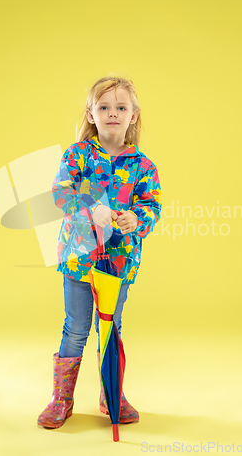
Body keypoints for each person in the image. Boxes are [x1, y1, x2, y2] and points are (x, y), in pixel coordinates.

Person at [37, 75, 162, 429]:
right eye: (104, 107)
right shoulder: (77, 156)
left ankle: (111, 394)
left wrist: (135, 218)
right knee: (76, 327)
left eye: (121, 107)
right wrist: (93, 207)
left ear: (133, 115)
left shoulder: (143, 167)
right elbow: (61, 194)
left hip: (118, 262)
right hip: (80, 258)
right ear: (91, 114)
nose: (112, 113)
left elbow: (152, 207)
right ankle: (61, 398)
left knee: (110, 327)